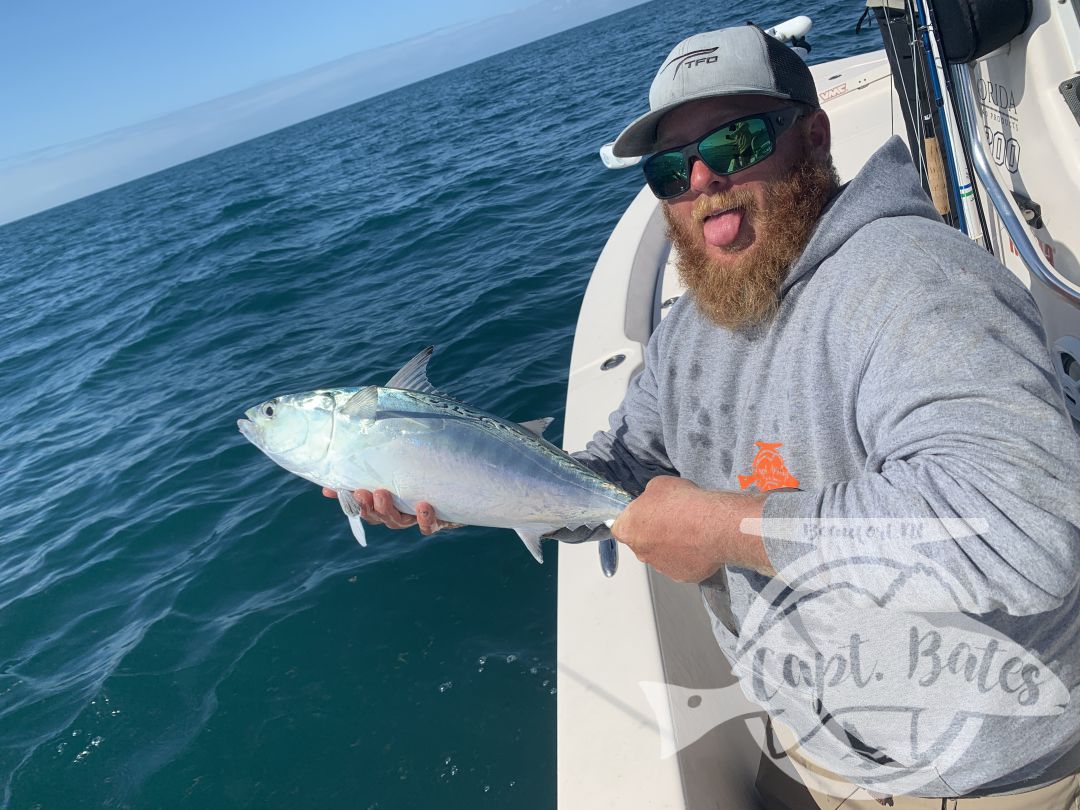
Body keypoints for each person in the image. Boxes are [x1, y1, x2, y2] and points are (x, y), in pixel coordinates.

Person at [326, 24, 1080, 809]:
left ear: (813, 136)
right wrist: (463, 488)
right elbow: (612, 475)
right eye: (669, 170)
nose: (703, 183)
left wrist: (728, 529)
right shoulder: (691, 331)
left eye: (737, 142)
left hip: (998, 775)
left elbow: (1024, 531)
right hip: (820, 759)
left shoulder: (916, 286)